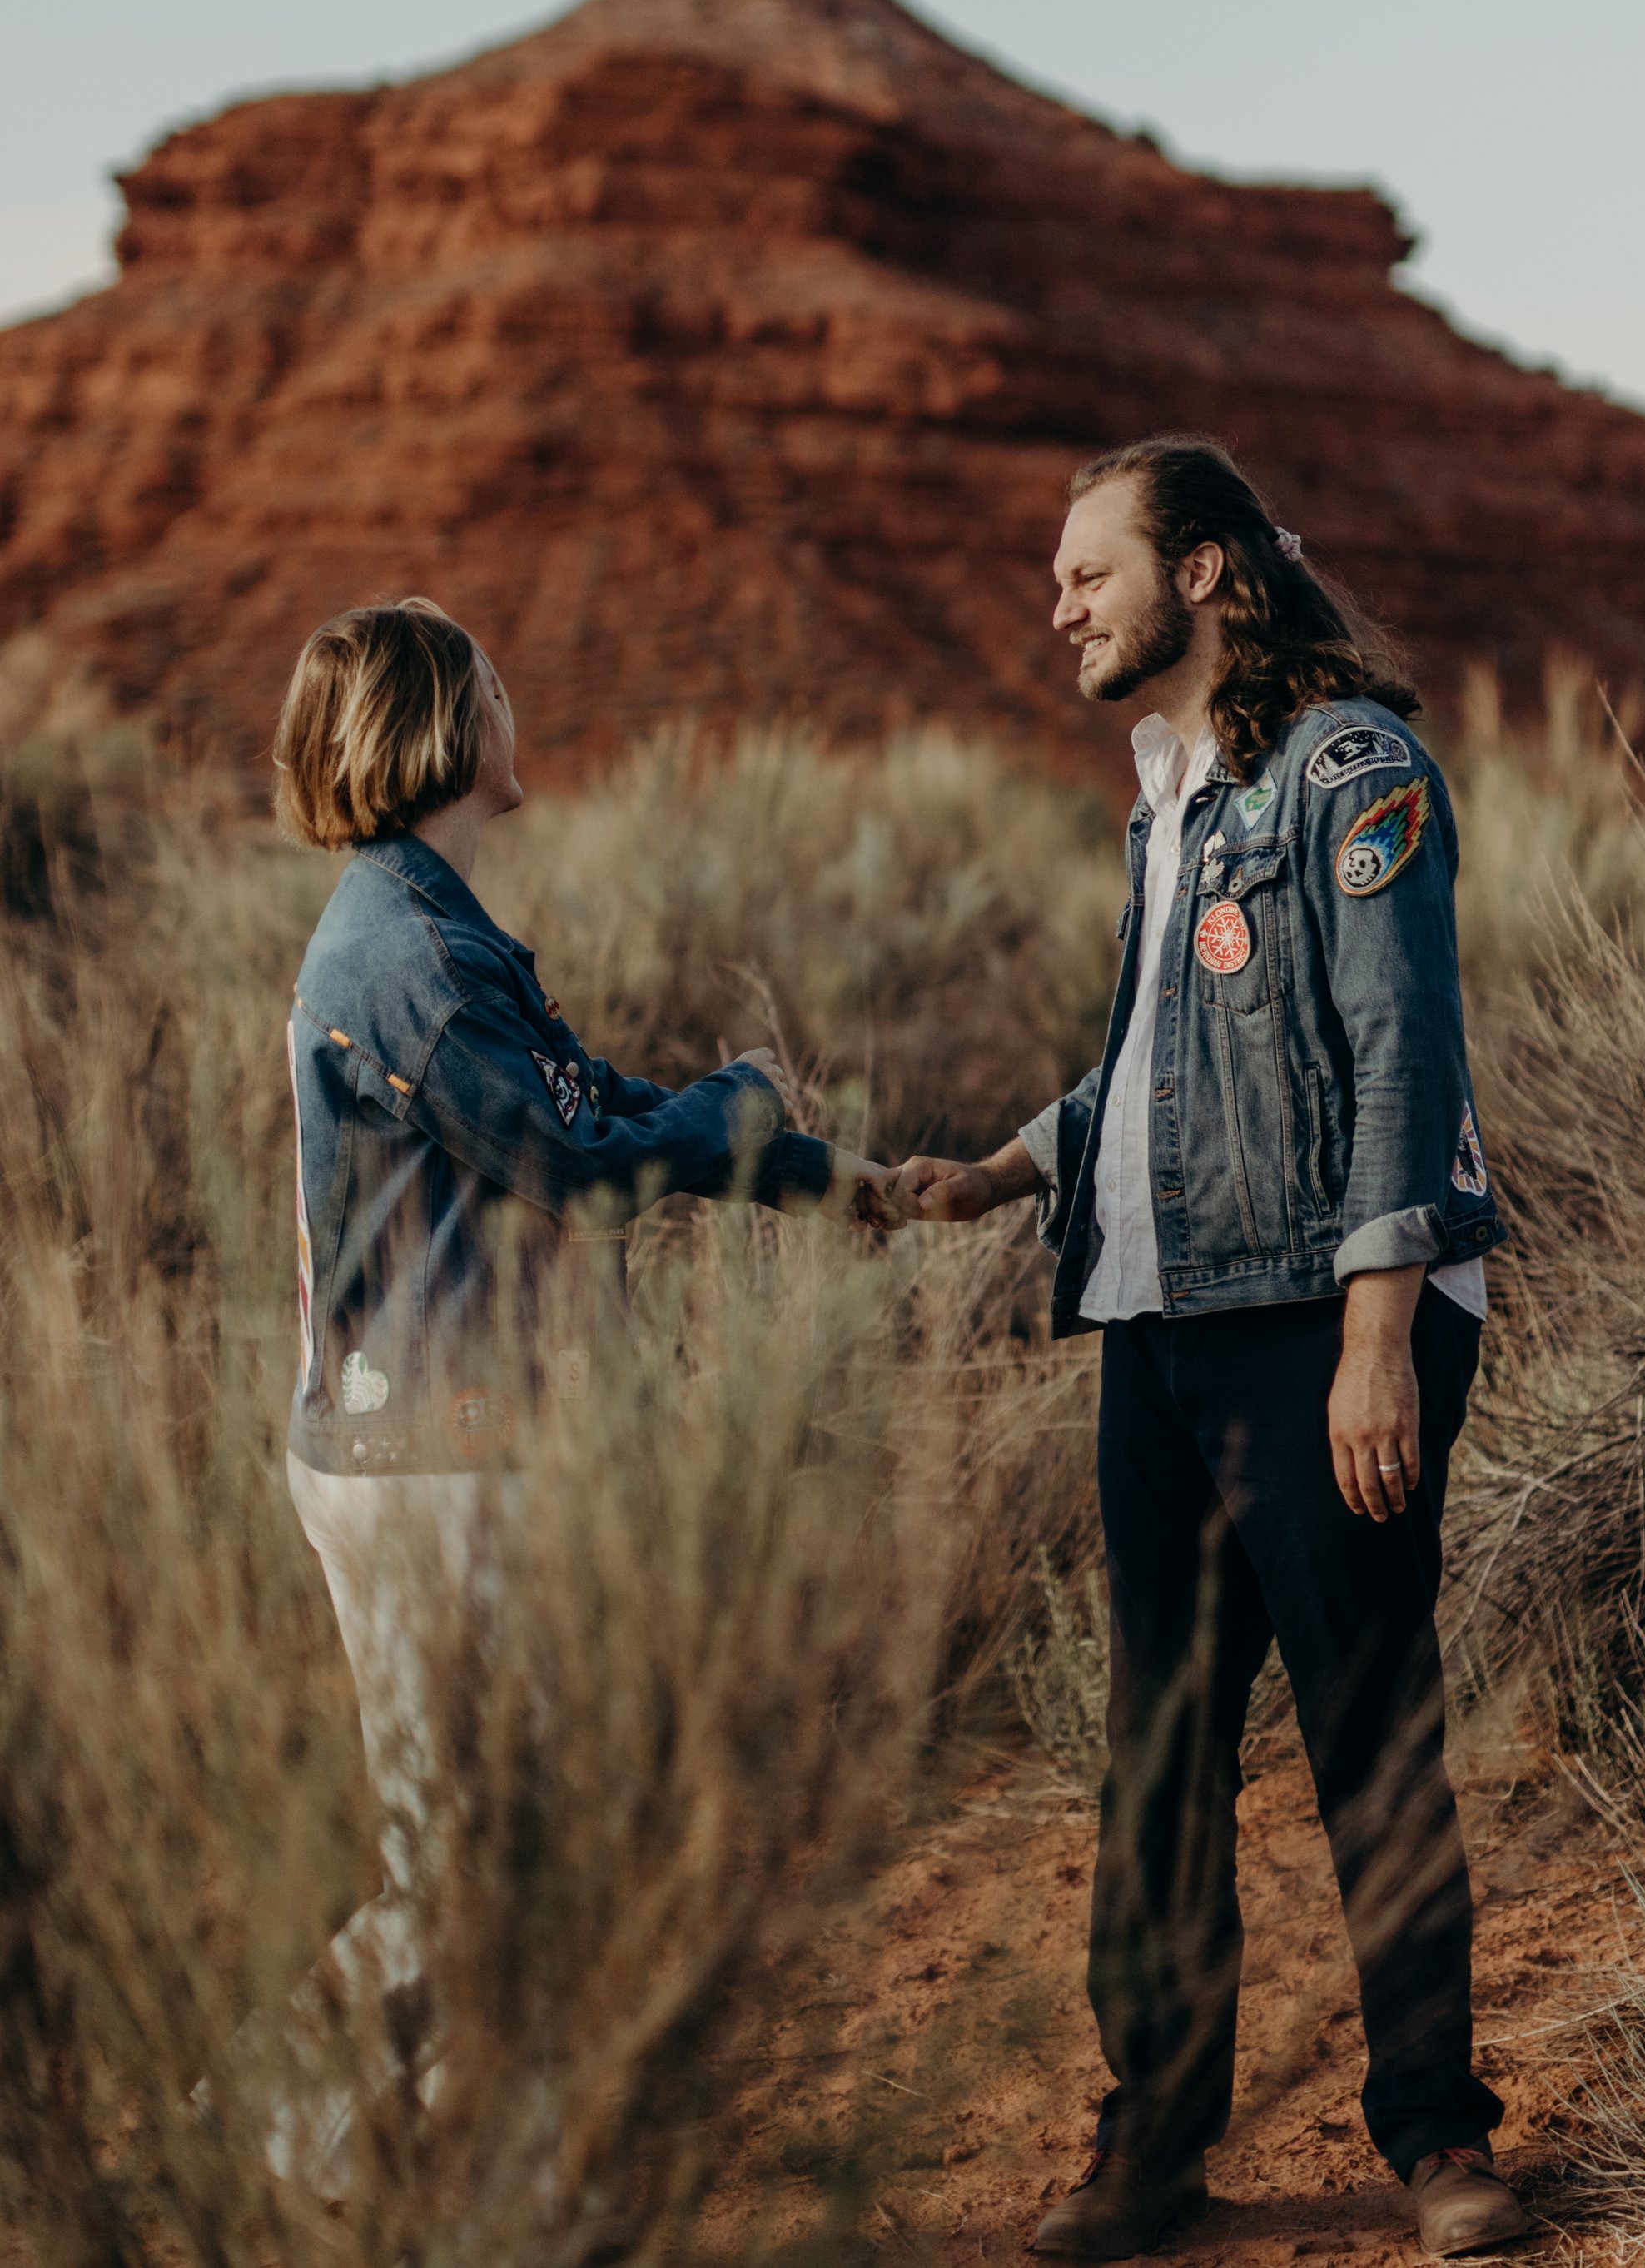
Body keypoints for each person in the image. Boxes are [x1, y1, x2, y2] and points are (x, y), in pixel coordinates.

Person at [894, 440, 1530, 2262]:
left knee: (1363, 1730)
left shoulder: (1347, 773)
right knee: (1158, 1752)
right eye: (1054, 578)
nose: (1058, 604)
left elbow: (1399, 1058)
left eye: (1087, 570)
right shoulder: (1164, 794)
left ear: (1202, 577)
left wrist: (1376, 1339)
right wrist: (1006, 1169)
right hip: (1157, 1331)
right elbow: (1169, 1067)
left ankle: (1432, 2139)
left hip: (1313, 1327)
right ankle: (1152, 2144)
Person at [266, 595, 891, 2187]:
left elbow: (588, 1099)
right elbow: (578, 1163)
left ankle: (455, 2169)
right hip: (437, 1457)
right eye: (488, 678)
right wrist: (741, 1103)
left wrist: (814, 1169)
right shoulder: (409, 950)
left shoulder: (436, 927)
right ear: (438, 724)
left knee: (498, 1842)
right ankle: (280, 2146)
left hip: (439, 1442)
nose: (512, 696)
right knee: (489, 1848)